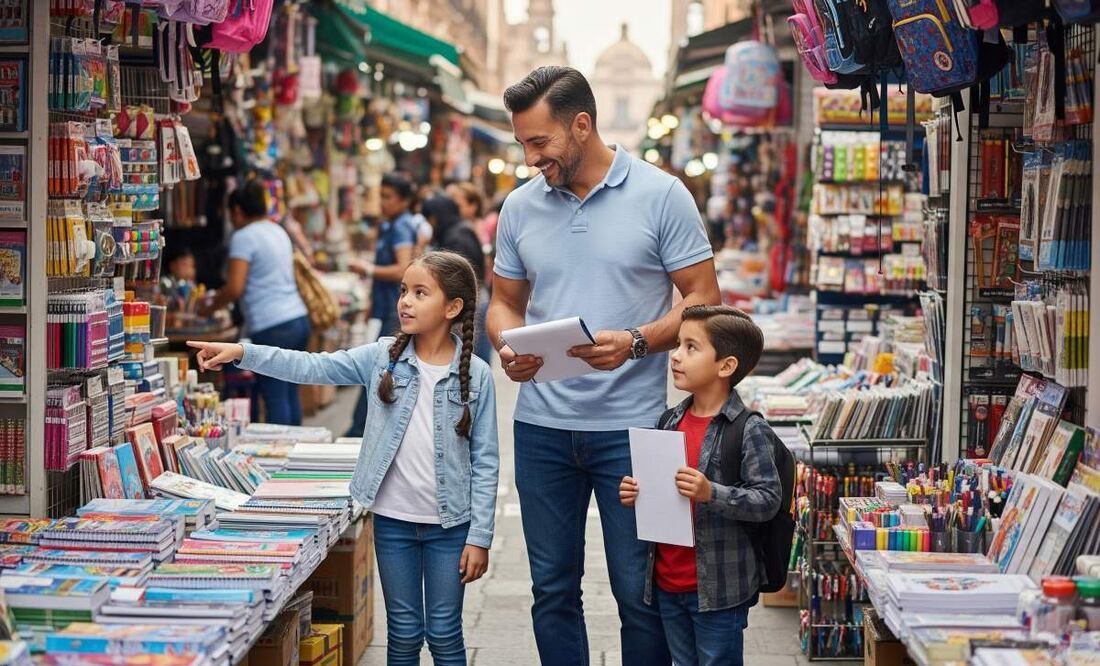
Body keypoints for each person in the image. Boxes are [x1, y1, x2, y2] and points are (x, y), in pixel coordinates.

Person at [487, 66, 721, 666]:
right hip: (542, 430)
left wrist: (638, 341)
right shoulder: (519, 207)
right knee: (552, 590)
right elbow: (505, 303)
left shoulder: (662, 194)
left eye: (539, 142)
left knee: (642, 592)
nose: (530, 157)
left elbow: (703, 296)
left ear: (582, 125)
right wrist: (506, 347)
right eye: (522, 144)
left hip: (641, 429)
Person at [188, 251, 499, 666]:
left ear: (452, 307)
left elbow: (486, 459)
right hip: (394, 521)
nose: (404, 301)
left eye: (420, 293)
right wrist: (242, 352)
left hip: (451, 526)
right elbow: (311, 367)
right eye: (404, 291)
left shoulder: (476, 375)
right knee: (404, 633)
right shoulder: (382, 357)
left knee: (444, 633)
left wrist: (480, 536)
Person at [619, 306, 781, 666]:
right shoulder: (670, 419)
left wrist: (713, 493)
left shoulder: (748, 428)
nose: (675, 355)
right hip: (667, 580)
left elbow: (768, 499)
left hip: (719, 589)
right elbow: (664, 490)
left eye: (691, 347)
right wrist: (637, 492)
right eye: (678, 344)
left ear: (726, 366)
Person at [201, 179, 310, 426]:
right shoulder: (278, 230)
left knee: (274, 394)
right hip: (297, 318)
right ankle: (295, 447)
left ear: (237, 211)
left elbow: (234, 287)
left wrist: (207, 308)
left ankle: (282, 454)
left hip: (271, 324)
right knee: (289, 390)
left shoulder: (244, 237)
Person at [346, 173, 419, 438]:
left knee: (379, 369)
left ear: (403, 200)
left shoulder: (401, 227)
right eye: (382, 196)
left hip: (395, 310)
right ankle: (360, 429)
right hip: (387, 306)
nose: (383, 203)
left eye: (388, 197)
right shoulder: (390, 224)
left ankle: (358, 431)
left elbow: (403, 269)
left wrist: (369, 269)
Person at [447, 183, 494, 364]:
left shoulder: (475, 230)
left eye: (458, 204)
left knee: (478, 347)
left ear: (472, 206)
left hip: (477, 291)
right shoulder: (462, 228)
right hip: (475, 292)